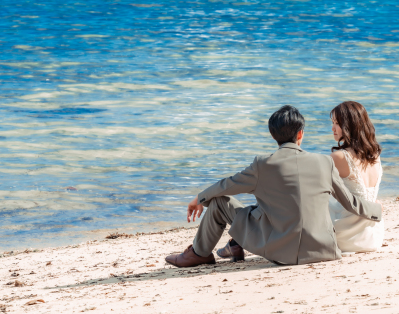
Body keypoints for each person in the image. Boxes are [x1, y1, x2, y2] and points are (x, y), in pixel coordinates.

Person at [164, 105, 382, 267]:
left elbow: (227, 185)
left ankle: (199, 253)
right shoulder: (324, 162)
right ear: (300, 134)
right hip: (324, 249)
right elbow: (351, 202)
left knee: (221, 202)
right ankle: (232, 246)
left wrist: (200, 198)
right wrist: (378, 211)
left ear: (272, 135)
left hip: (282, 253)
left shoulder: (262, 164)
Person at [328, 101, 384, 252]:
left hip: (346, 238)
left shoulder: (338, 157)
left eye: (337, 123)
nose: (333, 128)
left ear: (349, 126)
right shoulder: (375, 156)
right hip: (373, 236)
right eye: (333, 123)